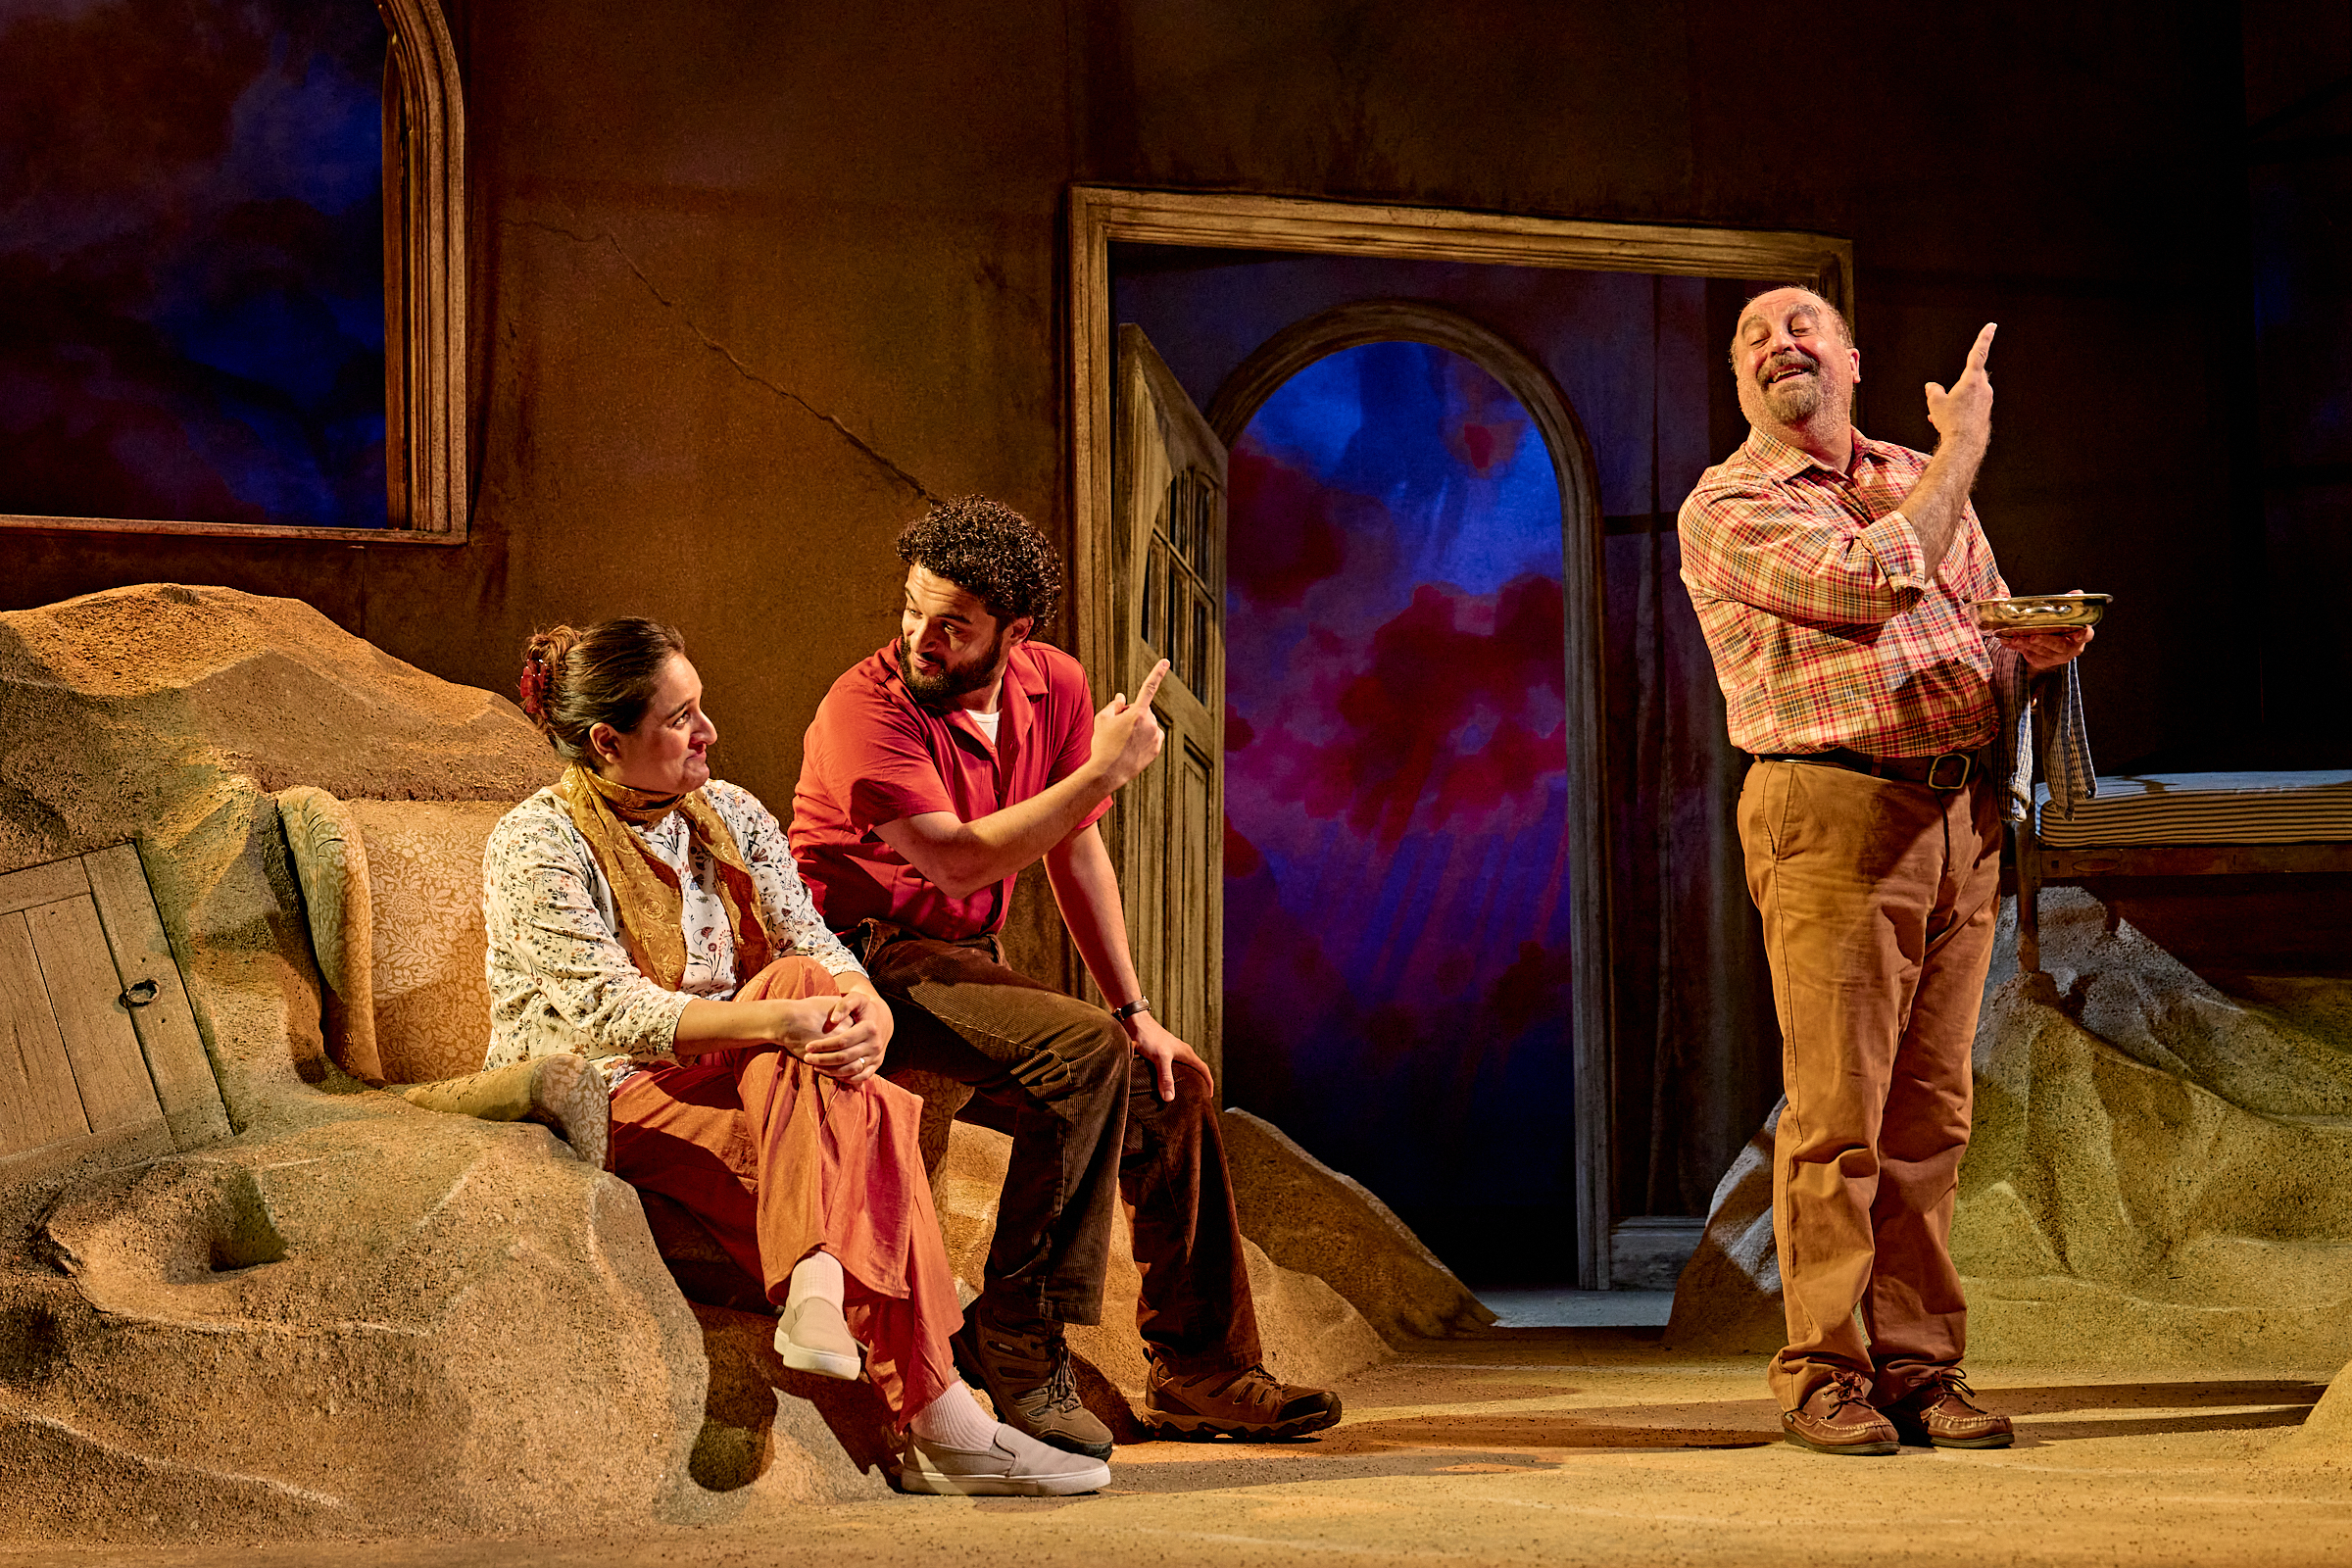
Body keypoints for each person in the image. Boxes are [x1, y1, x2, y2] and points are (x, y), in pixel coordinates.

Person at [481, 615, 1110, 1495]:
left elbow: (809, 937)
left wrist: (870, 1016)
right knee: (860, 1098)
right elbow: (607, 1012)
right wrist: (780, 1023)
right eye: (680, 718)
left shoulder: (730, 812)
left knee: (807, 986)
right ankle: (946, 1419)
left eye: (702, 708)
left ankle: (821, 1279)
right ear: (606, 741)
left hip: (750, 1075)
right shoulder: (536, 841)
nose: (709, 732)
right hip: (606, 1085)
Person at [792, 497, 1343, 1457]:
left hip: (959, 961)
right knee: (1079, 1052)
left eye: (951, 623)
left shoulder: (1053, 685)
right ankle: (1018, 1338)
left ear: (1016, 631)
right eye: (912, 610)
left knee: (1165, 1085)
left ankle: (1202, 1369)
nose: (920, 637)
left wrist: (1137, 1011)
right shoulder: (863, 710)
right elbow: (957, 861)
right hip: (855, 958)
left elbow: (1072, 848)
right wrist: (1104, 773)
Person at [1678, 290, 2093, 1456]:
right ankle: (1822, 1370)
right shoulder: (1731, 502)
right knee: (1838, 1116)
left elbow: (1971, 616)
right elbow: (1868, 588)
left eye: (1801, 326)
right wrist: (1962, 452)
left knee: (1931, 1117)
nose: (1778, 345)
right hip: (1834, 812)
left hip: (1957, 813)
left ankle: (1919, 1366)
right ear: (1742, 380)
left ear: (1851, 359)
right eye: (1754, 338)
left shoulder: (1914, 469)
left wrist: (2029, 645)